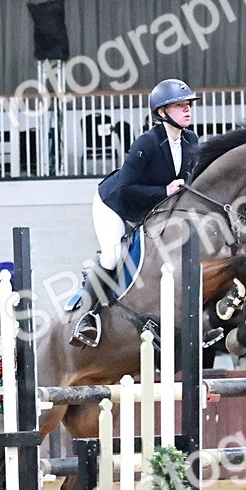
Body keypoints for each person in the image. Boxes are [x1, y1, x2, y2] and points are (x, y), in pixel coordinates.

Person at [71, 78, 201, 347]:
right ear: (162, 113)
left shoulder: (191, 141)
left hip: (148, 210)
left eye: (188, 105)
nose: (187, 110)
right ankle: (87, 316)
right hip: (115, 205)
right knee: (114, 255)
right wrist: (164, 191)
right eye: (179, 106)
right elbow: (127, 187)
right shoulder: (147, 144)